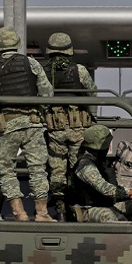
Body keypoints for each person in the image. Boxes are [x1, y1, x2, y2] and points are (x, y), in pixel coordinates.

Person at [0, 26, 55, 222]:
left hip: (7, 126)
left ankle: (19, 213)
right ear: (17, 44)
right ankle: (42, 213)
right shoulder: (31, 63)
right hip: (32, 124)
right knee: (38, 168)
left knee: (5, 169)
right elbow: (47, 93)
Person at [41, 32, 96, 220]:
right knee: (78, 168)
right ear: (69, 51)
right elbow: (92, 94)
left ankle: (60, 208)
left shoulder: (42, 72)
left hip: (54, 129)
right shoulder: (79, 70)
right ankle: (78, 206)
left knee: (57, 171)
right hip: (78, 128)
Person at [72, 124, 132, 222]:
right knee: (111, 216)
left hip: (105, 205)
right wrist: (129, 192)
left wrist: (129, 196)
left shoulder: (99, 161)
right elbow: (104, 188)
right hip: (87, 209)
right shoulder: (86, 165)